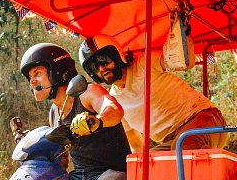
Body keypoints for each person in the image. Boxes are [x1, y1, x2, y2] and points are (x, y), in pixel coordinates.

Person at [20, 43, 131, 180]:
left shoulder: (87, 92)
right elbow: (61, 157)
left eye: (37, 73)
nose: (31, 81)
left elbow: (114, 110)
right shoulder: (55, 113)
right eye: (29, 77)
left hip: (115, 172)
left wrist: (96, 121)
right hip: (82, 176)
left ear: (56, 71)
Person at [79, 35, 227, 152]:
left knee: (184, 147)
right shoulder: (115, 102)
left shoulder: (145, 63)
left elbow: (179, 60)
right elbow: (136, 143)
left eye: (104, 60)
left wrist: (181, 29)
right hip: (171, 141)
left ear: (117, 55)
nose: (101, 68)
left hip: (202, 117)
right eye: (94, 66)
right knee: (151, 167)